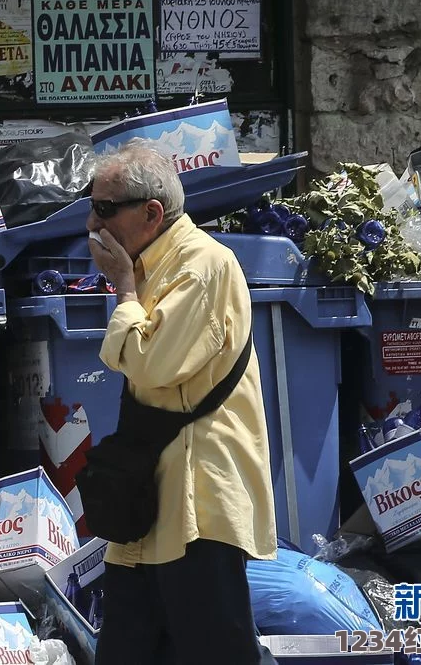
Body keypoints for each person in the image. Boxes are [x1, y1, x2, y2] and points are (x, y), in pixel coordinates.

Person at [85, 143, 278, 664]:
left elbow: (148, 363)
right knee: (127, 649)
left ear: (151, 213)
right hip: (149, 499)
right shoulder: (153, 264)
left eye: (105, 209)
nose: (92, 221)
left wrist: (124, 289)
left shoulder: (201, 266)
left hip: (197, 504)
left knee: (214, 649)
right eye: (92, 204)